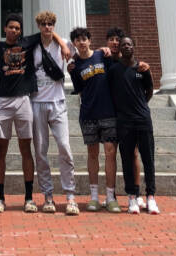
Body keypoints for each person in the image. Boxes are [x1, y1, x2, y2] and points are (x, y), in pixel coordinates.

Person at [0, 13, 70, 213]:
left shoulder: (28, 42)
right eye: (11, 27)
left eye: (17, 28)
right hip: (2, 101)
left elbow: (49, 32)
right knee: (1, 149)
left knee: (25, 149)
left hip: (24, 101)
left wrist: (63, 45)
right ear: (4, 29)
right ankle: (0, 198)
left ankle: (28, 198)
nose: (14, 31)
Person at [67, 27, 120, 213]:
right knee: (92, 154)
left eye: (84, 39)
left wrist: (107, 50)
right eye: (77, 40)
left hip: (109, 113)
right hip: (88, 114)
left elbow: (117, 73)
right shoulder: (74, 67)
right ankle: (94, 196)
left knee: (110, 152)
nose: (81, 42)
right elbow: (80, 90)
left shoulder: (102, 56)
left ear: (90, 40)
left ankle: (111, 196)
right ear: (74, 44)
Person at [31, 11, 78, 215]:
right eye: (44, 24)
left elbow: (84, 50)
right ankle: (48, 196)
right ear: (39, 26)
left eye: (50, 24)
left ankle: (70, 196)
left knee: (65, 147)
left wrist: (62, 42)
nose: (47, 27)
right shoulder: (32, 45)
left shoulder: (64, 43)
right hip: (37, 102)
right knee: (41, 151)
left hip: (58, 102)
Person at [107, 36, 160, 215]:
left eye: (129, 44)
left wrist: (141, 105)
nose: (127, 47)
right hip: (124, 122)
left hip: (143, 120)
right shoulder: (114, 70)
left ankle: (151, 197)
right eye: (123, 45)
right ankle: (132, 196)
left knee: (148, 158)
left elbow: (149, 90)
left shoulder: (142, 68)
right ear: (120, 49)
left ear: (134, 47)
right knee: (128, 159)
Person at [106, 26, 147, 210]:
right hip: (110, 112)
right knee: (112, 153)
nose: (115, 43)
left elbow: (145, 86)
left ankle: (136, 193)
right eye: (112, 39)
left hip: (129, 115)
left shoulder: (135, 64)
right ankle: (111, 194)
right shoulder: (104, 58)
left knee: (133, 153)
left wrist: (139, 106)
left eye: (118, 40)